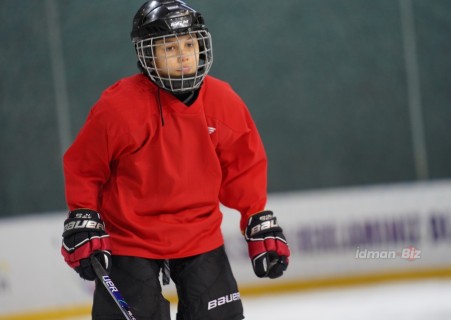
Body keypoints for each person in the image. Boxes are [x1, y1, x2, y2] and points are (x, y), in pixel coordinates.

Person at [60, 1, 290, 319]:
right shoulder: (118, 107)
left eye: (190, 43)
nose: (183, 55)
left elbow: (244, 166)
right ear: (147, 54)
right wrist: (83, 217)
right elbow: (85, 168)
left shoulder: (223, 101)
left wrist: (256, 219)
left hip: (199, 235)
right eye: (169, 47)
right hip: (130, 238)